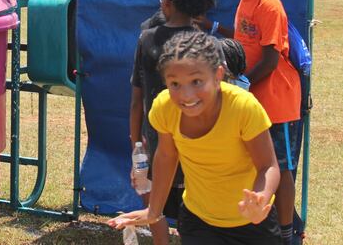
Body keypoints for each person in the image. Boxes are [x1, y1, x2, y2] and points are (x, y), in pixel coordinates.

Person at [110, 31, 281, 245]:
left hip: (253, 227)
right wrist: (153, 210)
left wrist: (260, 199)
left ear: (218, 76)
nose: (186, 95)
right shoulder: (165, 107)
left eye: (197, 81)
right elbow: (166, 155)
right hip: (198, 222)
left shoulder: (243, 107)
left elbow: (268, 165)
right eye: (175, 84)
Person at [200, 0, 302, 245]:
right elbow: (247, 41)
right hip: (255, 100)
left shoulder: (269, 4)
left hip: (277, 102)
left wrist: (242, 86)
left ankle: (287, 234)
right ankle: (269, 227)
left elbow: (270, 58)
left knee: (281, 168)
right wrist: (213, 28)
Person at [130, 0, 218, 245]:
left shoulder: (147, 39)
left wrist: (137, 144)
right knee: (192, 203)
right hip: (198, 141)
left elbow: (136, 98)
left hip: (157, 138)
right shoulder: (205, 44)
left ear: (166, 3)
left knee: (153, 197)